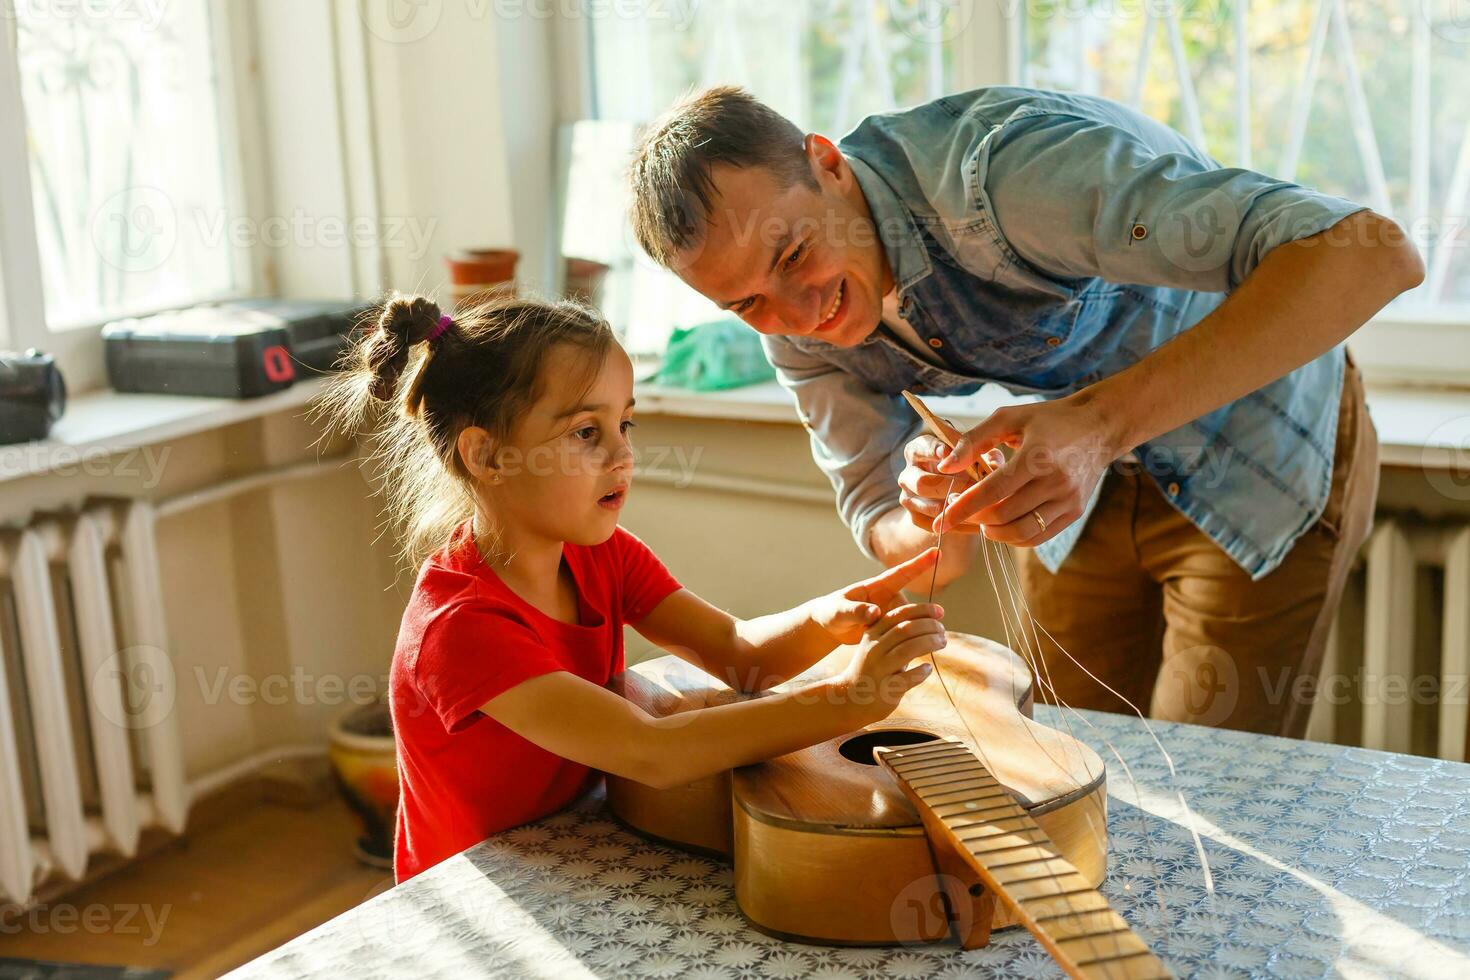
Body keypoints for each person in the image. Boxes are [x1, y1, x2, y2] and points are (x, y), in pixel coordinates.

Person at [628, 85, 1424, 736]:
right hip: (1091, 477)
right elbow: (886, 519)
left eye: (795, 253)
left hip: (1253, 445)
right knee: (1075, 759)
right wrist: (932, 511)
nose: (800, 316)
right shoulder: (795, 322)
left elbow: (1373, 252)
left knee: (1217, 784)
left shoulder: (1011, 177)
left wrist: (1095, 428)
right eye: (748, 304)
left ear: (828, 164)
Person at [318, 293, 947, 882]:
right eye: (586, 433)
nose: (623, 456)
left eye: (626, 424)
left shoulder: (604, 557)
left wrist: (830, 617)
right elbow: (651, 753)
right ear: (487, 456)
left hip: (578, 849)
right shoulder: (459, 626)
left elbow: (736, 651)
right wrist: (849, 700)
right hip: (483, 899)